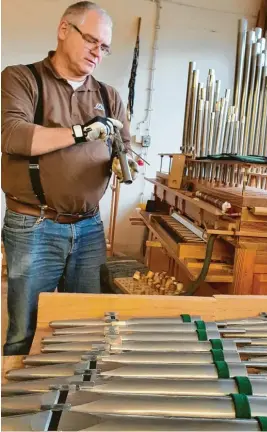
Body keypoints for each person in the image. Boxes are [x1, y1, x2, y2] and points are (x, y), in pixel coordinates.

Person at [1, 1, 137, 355]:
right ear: (64, 30)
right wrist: (81, 132)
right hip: (34, 225)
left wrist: (128, 161)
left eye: (104, 47)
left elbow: (126, 145)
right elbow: (13, 135)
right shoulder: (21, 78)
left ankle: (70, 406)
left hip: (89, 228)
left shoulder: (109, 96)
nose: (98, 52)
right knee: (25, 333)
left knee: (87, 328)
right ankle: (19, 407)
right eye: (91, 40)